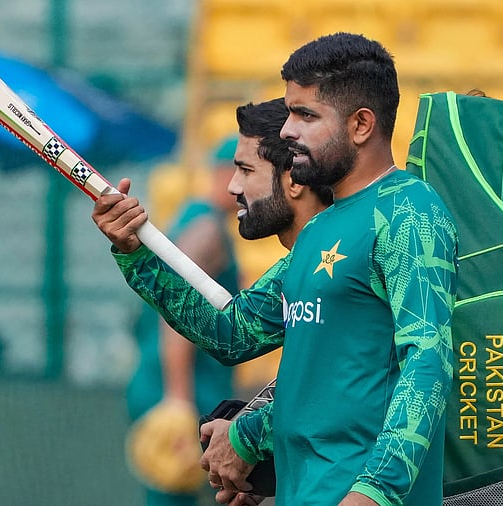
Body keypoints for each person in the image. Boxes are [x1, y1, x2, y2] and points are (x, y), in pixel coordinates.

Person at [93, 32, 458, 505]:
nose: (287, 130)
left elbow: (428, 361)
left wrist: (374, 492)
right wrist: (134, 254)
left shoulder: (409, 211)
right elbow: (233, 333)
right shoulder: (323, 229)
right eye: (289, 113)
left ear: (362, 125)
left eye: (305, 115)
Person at [206, 97, 333, 506]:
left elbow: (344, 389)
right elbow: (232, 335)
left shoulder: (341, 254)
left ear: (294, 178)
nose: (233, 187)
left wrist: (245, 437)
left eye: (245, 170)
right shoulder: (305, 258)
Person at [124, 138, 241, 505]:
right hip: (180, 387)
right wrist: (178, 398)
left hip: (169, 381)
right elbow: (176, 315)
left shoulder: (193, 220)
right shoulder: (206, 230)